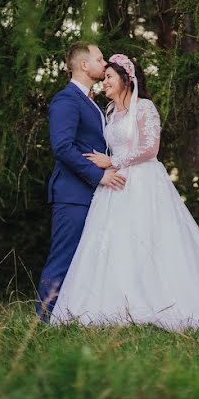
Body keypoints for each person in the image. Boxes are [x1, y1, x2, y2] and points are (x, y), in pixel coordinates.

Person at [50, 53, 199, 331]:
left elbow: (151, 148)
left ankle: (162, 301)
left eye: (109, 77)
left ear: (126, 79)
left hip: (144, 183)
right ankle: (114, 304)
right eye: (104, 77)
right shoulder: (110, 113)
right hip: (114, 186)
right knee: (116, 244)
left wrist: (113, 162)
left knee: (151, 240)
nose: (105, 82)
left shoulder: (145, 107)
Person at [37, 41, 127, 321]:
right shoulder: (66, 100)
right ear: (84, 65)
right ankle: (43, 319)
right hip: (73, 193)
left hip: (93, 195)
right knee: (63, 257)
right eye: (100, 59)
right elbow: (62, 147)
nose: (105, 64)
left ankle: (74, 315)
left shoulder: (93, 103)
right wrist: (99, 175)